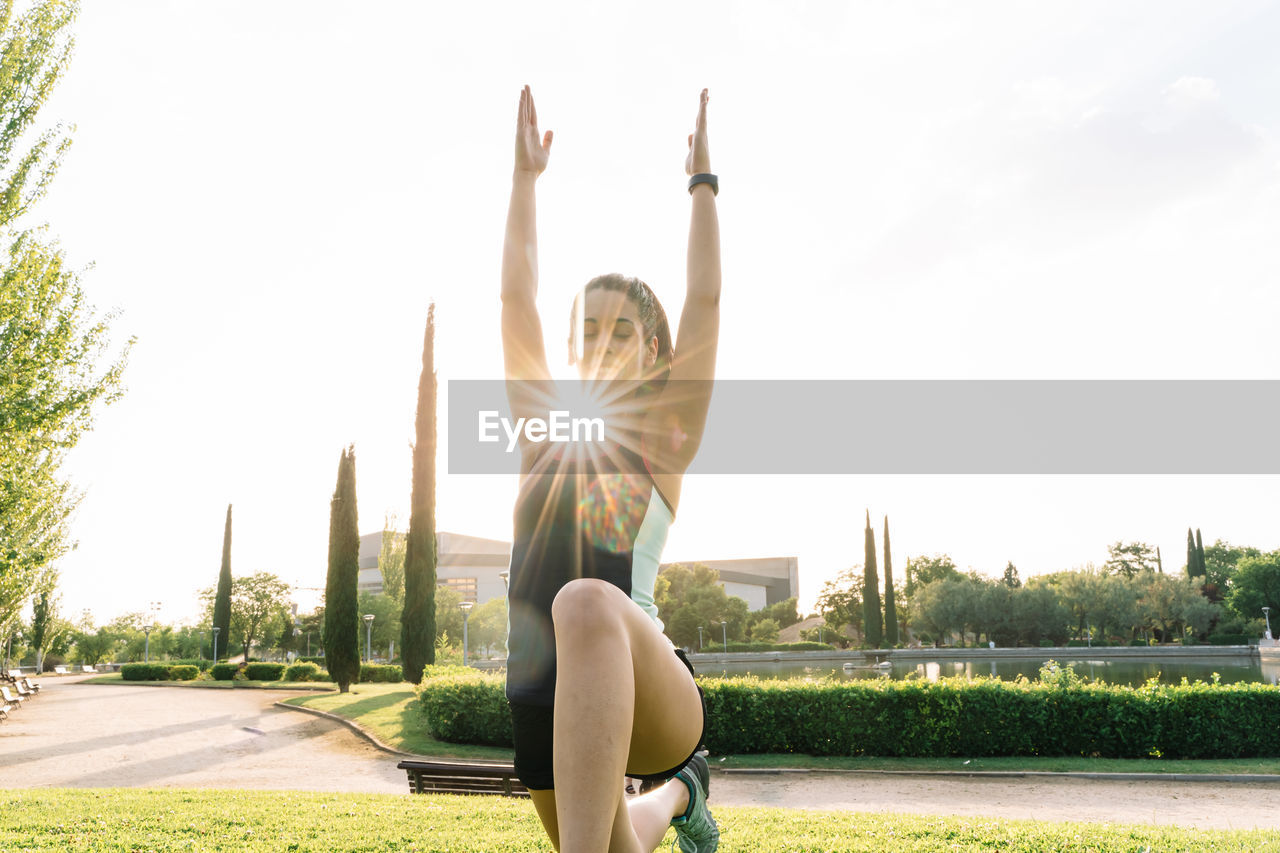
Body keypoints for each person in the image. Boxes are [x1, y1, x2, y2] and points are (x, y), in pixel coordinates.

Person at [499, 84, 722, 853]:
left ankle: (675, 774)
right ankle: (683, 795)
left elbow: (705, 299)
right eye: (586, 328)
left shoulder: (665, 435)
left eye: (622, 329)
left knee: (586, 601)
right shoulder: (538, 431)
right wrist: (525, 181)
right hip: (542, 691)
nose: (600, 339)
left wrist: (702, 186)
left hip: (653, 683)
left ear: (655, 353)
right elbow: (515, 295)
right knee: (607, 841)